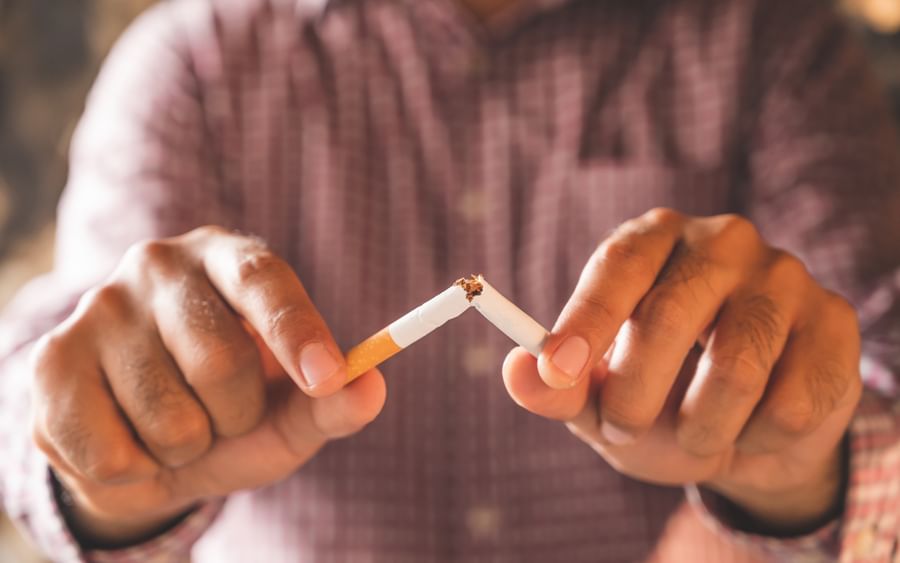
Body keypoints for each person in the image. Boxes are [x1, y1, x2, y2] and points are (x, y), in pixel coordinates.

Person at [1, 0, 899, 560]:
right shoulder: (191, 63)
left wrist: (798, 475)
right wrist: (105, 470)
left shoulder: (772, 43)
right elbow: (31, 395)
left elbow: (879, 374)